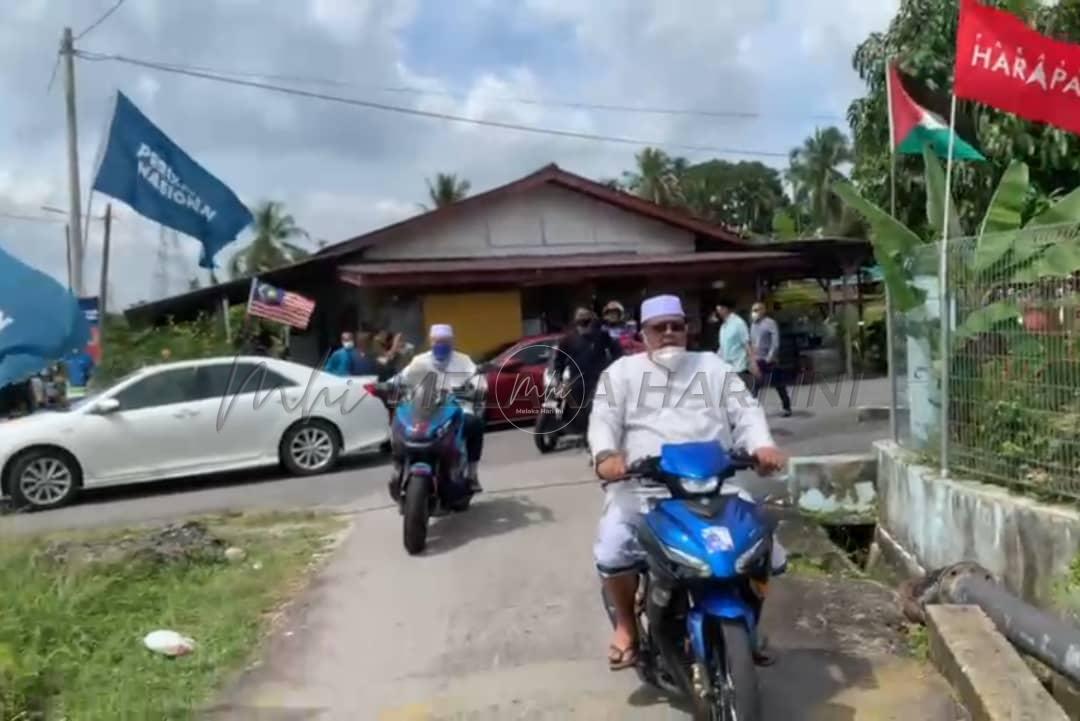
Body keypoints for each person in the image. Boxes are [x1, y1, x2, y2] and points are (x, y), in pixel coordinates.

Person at [588, 294, 788, 671]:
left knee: (765, 551)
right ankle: (627, 627)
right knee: (614, 549)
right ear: (642, 333)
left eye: (675, 326)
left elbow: (745, 411)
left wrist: (761, 446)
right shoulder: (621, 373)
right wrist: (606, 456)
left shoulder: (712, 366)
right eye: (658, 328)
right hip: (644, 489)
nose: (668, 334)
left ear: (686, 330)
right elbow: (603, 419)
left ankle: (748, 624)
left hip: (716, 485)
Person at [390, 324, 484, 495]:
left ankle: (472, 474)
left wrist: (476, 389)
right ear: (431, 342)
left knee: (475, 424)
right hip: (424, 409)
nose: (441, 344)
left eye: (445, 341)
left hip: (457, 408)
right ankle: (398, 468)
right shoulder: (419, 361)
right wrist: (386, 385)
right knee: (401, 426)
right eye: (437, 341)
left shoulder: (463, 360)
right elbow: (401, 378)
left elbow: (479, 380)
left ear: (452, 341)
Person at [553, 307, 623, 435]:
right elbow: (559, 361)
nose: (584, 324)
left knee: (601, 406)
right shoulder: (567, 339)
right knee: (570, 404)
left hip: (598, 379)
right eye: (581, 321)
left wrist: (615, 366)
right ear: (575, 322)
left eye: (587, 321)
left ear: (592, 321)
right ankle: (576, 429)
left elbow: (617, 351)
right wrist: (557, 377)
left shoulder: (601, 336)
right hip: (577, 380)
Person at [750, 301, 793, 418]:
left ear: (763, 311)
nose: (754, 313)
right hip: (758, 359)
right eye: (753, 310)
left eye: (757, 310)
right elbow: (752, 342)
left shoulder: (770, 323)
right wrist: (752, 357)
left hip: (769, 360)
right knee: (755, 385)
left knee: (778, 384)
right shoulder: (753, 325)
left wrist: (770, 357)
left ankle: (786, 407)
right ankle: (750, 410)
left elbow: (775, 343)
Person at [715, 298, 753, 389]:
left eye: (719, 309)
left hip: (739, 368)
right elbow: (722, 347)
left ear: (725, 309)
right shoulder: (723, 326)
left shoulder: (738, 323)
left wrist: (753, 362)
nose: (718, 311)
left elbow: (746, 344)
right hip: (727, 368)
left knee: (742, 397)